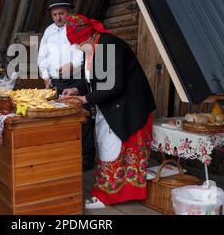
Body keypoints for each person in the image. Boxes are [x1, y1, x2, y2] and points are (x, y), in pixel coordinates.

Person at [61, 13, 156, 209]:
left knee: (112, 148)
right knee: (108, 146)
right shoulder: (93, 46)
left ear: (86, 37)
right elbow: (91, 77)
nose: (76, 47)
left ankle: (108, 196)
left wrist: (84, 99)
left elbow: (113, 86)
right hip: (116, 104)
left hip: (130, 106)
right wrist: (77, 89)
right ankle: (110, 193)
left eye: (77, 43)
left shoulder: (108, 46)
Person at [37, 0, 96, 171]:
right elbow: (42, 56)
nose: (58, 18)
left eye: (61, 14)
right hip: (56, 82)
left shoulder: (75, 27)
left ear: (68, 13)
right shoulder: (48, 32)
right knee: (59, 118)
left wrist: (74, 64)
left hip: (76, 79)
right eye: (54, 14)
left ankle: (86, 157)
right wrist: (46, 76)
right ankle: (64, 153)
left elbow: (84, 49)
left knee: (82, 117)